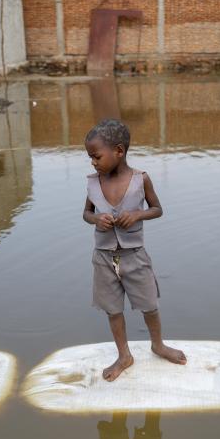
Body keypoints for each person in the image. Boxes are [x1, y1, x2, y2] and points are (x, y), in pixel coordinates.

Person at [83, 119, 187, 382]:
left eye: (96, 156)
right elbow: (86, 213)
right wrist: (97, 220)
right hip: (104, 257)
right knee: (112, 309)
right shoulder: (93, 182)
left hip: (134, 255)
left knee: (149, 305)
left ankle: (158, 345)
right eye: (90, 158)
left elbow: (157, 209)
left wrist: (137, 214)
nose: (93, 162)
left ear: (119, 151)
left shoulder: (141, 179)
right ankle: (124, 355)